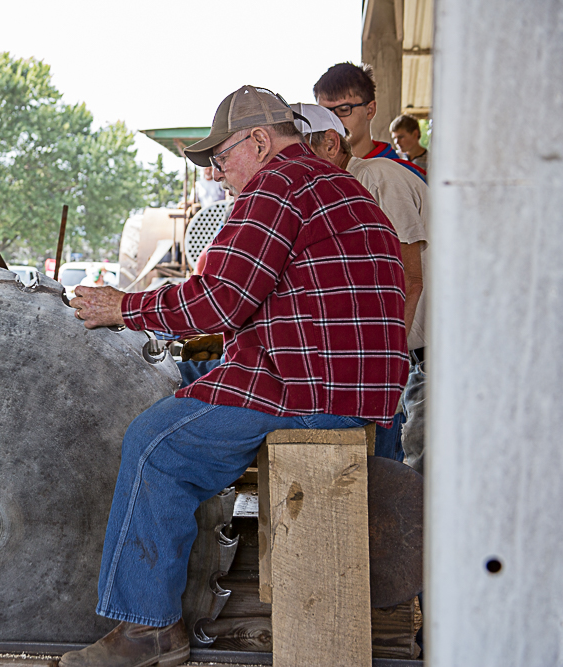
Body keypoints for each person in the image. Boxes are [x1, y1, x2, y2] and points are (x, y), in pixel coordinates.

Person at [62, 85, 409, 667]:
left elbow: (218, 300)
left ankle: (149, 630)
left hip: (309, 390)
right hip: (356, 388)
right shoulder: (341, 186)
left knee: (155, 444)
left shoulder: (276, 185)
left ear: (259, 141)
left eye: (221, 158)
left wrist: (123, 308)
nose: (217, 174)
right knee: (186, 388)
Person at [294, 103, 428, 462]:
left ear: (330, 144)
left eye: (298, 154)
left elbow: (410, 281)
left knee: (416, 471)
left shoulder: (376, 178)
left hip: (431, 357)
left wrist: (385, 370)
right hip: (406, 356)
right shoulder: (335, 193)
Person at [313, 63, 426, 181]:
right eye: (324, 112)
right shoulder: (314, 170)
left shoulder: (402, 175)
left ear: (370, 111)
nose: (332, 120)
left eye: (344, 109)